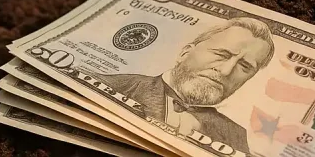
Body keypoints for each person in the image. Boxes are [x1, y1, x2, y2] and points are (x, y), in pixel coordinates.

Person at [101, 17, 274, 154]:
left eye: (244, 67)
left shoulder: (236, 136)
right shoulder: (112, 85)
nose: (226, 71)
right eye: (222, 54)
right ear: (185, 53)